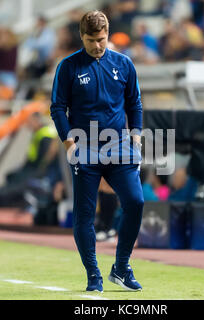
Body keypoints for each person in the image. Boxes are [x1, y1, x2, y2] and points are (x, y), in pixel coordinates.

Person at [51, 10, 144, 293]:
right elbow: (57, 108)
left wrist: (137, 136)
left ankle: (121, 267)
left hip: (119, 146)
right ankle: (93, 274)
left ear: (108, 35)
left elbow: (134, 103)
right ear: (82, 37)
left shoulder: (124, 64)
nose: (97, 46)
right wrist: (70, 143)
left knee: (136, 202)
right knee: (84, 214)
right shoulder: (68, 67)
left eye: (101, 39)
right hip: (85, 147)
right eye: (91, 40)